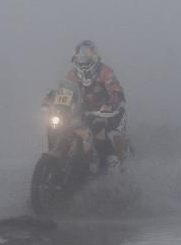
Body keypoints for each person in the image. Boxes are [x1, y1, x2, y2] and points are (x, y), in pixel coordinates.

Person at [45, 40, 128, 169]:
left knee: (112, 138)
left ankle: (119, 174)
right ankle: (61, 157)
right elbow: (64, 93)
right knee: (56, 125)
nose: (82, 59)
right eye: (80, 56)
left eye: (86, 55)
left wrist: (112, 103)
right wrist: (52, 100)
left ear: (94, 56)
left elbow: (116, 90)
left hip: (107, 112)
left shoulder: (105, 71)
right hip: (82, 112)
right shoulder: (71, 75)